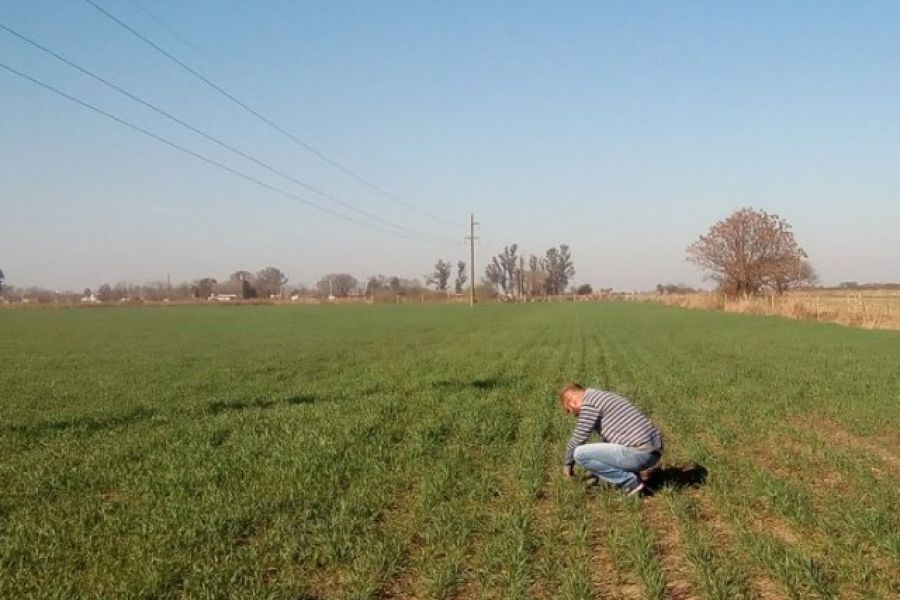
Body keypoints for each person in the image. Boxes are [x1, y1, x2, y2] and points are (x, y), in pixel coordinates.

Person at [559, 382, 663, 496]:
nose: (574, 415)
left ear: (571, 402)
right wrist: (596, 471)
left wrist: (567, 465)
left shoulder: (589, 404)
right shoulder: (599, 396)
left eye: (569, 410)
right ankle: (635, 478)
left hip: (641, 453)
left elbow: (578, 438)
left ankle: (632, 484)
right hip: (652, 451)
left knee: (580, 454)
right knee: (601, 451)